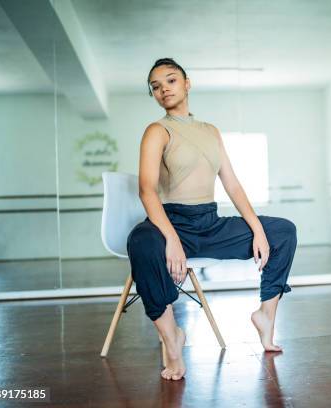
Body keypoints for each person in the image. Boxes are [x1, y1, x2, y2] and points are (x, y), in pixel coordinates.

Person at [126, 58, 298, 381]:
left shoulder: (211, 131)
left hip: (210, 223)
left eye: (171, 80)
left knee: (283, 231)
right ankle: (172, 338)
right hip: (172, 223)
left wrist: (257, 230)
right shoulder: (157, 131)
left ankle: (265, 315)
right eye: (156, 86)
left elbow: (231, 184)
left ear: (187, 83)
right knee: (140, 241)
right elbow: (147, 191)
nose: (164, 89)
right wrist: (173, 240)